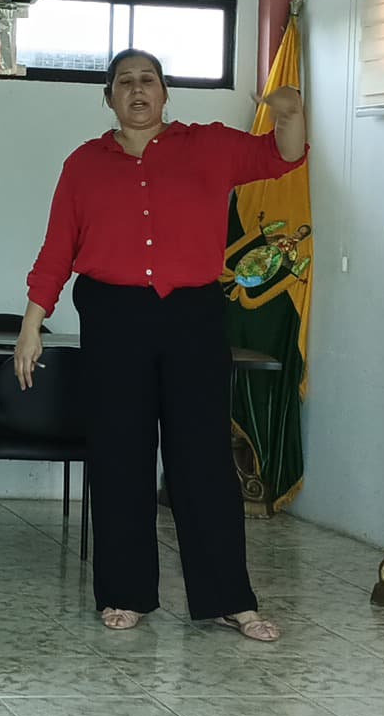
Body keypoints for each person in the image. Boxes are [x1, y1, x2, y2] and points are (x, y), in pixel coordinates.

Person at [16, 49, 305, 639]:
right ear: (109, 97)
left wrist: (290, 110)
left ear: (165, 92)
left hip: (192, 317)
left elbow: (283, 156)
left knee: (204, 459)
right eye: (124, 82)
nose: (137, 89)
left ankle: (228, 598)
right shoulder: (84, 165)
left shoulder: (210, 146)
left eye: (147, 79)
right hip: (113, 317)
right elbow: (57, 251)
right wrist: (31, 326)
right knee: (119, 455)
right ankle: (124, 592)